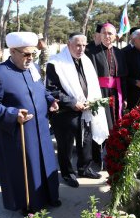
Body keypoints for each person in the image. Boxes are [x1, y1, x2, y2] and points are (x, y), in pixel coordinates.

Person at [0, 32, 61, 214]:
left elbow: (41, 90)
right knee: (28, 168)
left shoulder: (32, 69)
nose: (30, 58)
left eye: (33, 54)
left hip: (40, 127)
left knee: (45, 163)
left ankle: (50, 196)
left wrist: (50, 100)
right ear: (13, 51)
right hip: (20, 132)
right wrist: (12, 113)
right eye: (26, 54)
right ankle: (29, 204)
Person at [46, 32, 108, 187]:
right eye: (78, 45)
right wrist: (72, 102)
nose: (81, 49)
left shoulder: (85, 60)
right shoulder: (56, 63)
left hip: (85, 109)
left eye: (84, 45)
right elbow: (51, 90)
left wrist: (91, 101)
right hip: (64, 112)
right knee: (66, 145)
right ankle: (68, 173)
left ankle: (84, 168)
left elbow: (90, 84)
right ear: (68, 45)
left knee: (85, 140)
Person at [86, 22, 127, 169]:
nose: (107, 36)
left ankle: (115, 154)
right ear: (100, 35)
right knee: (100, 124)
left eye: (110, 33)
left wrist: (125, 97)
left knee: (116, 123)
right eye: (104, 33)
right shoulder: (91, 52)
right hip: (99, 93)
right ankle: (98, 158)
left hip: (117, 94)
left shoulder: (119, 52)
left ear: (115, 36)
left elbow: (123, 77)